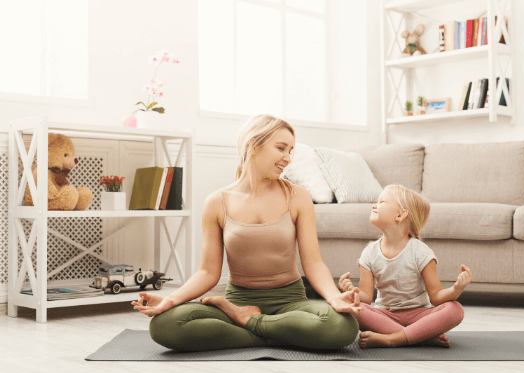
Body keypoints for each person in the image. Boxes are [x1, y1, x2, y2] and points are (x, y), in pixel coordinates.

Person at [132, 114, 361, 352]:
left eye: (291, 150)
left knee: (342, 327)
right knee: (165, 326)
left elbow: (313, 263)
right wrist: (170, 300)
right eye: (281, 148)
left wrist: (334, 298)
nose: (288, 158)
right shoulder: (216, 202)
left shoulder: (298, 196)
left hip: (291, 304)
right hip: (237, 302)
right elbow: (208, 271)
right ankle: (279, 332)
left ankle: (250, 324)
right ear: (253, 145)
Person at [338, 185, 472, 348]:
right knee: (352, 309)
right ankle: (420, 336)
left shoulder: (420, 251)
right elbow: (365, 299)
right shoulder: (369, 253)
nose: (374, 205)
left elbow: (436, 297)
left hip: (419, 315)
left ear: (401, 215)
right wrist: (352, 293)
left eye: (382, 201)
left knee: (455, 310)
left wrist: (456, 289)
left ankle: (393, 339)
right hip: (385, 315)